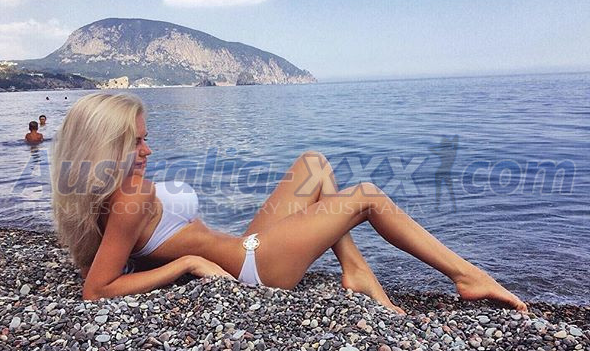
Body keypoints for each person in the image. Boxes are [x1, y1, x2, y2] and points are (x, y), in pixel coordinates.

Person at [51, 93, 527, 313]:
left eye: (145, 139)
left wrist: (182, 257)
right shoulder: (130, 196)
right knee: (366, 196)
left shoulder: (109, 195)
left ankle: (356, 270)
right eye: (136, 143)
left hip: (245, 248)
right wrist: (187, 264)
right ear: (105, 146)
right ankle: (468, 276)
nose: (148, 150)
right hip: (255, 269)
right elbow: (98, 289)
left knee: (313, 164)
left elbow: (116, 262)